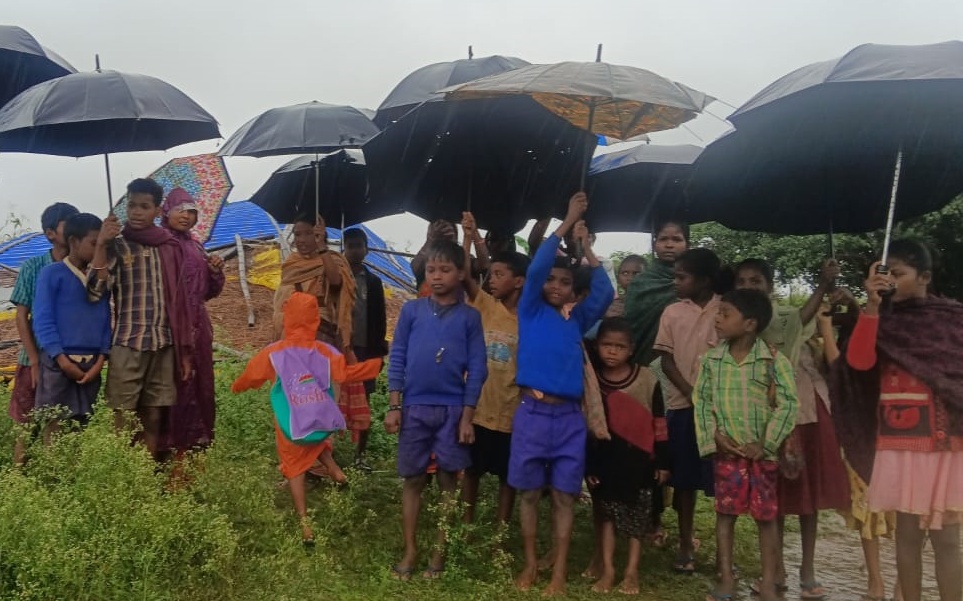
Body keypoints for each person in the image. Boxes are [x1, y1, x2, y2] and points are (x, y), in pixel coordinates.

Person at [832, 240, 963, 601]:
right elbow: (858, 364)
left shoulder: (952, 319)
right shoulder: (880, 321)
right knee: (907, 536)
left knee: (948, 539)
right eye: (884, 272)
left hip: (948, 443)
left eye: (899, 274)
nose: (890, 280)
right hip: (901, 441)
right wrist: (871, 309)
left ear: (924, 277)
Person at [511, 192, 613, 596]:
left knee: (566, 497)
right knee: (530, 494)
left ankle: (558, 572)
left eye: (565, 282)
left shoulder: (578, 319)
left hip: (569, 419)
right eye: (552, 280)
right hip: (531, 414)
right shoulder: (530, 311)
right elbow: (535, 269)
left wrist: (587, 248)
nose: (555, 285)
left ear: (573, 290)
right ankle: (532, 563)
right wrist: (568, 220)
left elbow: (603, 293)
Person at [232, 292, 382, 545]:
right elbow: (345, 374)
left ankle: (305, 524)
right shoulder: (326, 351)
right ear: (314, 320)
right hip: (319, 416)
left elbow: (251, 375)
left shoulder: (274, 352)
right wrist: (375, 366)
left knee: (294, 467)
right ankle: (335, 470)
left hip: (290, 420)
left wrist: (238, 386)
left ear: (287, 318)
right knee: (315, 439)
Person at [735, 258, 846, 598]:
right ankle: (775, 569)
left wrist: (824, 284)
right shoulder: (733, 322)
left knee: (807, 498)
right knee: (772, 499)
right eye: (742, 281)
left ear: (769, 285)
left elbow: (805, 315)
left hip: (803, 413)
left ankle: (808, 569)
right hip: (758, 417)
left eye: (756, 281)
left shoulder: (785, 316)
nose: (749, 286)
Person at [384, 238, 487, 581]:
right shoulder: (412, 311)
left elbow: (478, 368)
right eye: (431, 270)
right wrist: (394, 405)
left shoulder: (470, 318)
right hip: (413, 407)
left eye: (445, 269)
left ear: (461, 273)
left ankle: (439, 549)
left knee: (447, 479)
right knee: (413, 479)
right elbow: (397, 356)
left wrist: (468, 417)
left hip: (453, 410)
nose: (438, 276)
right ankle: (410, 548)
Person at [694, 288, 799, 601]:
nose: (717, 319)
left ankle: (768, 581)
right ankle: (726, 577)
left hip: (762, 457)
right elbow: (701, 401)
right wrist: (714, 436)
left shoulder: (772, 361)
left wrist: (766, 444)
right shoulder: (712, 361)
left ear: (750, 324)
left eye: (725, 313)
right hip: (727, 454)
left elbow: (789, 403)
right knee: (725, 514)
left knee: (766, 518)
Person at [89, 179, 194, 461]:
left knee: (154, 413)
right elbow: (95, 290)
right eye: (132, 205)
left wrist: (184, 352)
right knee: (123, 415)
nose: (136, 212)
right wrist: (101, 243)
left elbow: (181, 301)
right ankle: (123, 476)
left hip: (164, 344)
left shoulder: (170, 247)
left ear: (157, 210)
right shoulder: (118, 246)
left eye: (144, 206)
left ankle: (146, 475)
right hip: (128, 343)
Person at [819, 289, 902, 601]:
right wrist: (849, 310)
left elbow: (842, 371)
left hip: (892, 436)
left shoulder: (898, 337)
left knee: (900, 510)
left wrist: (827, 329)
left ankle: (892, 585)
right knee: (871, 506)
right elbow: (845, 372)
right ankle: (880, 583)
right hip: (867, 435)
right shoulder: (870, 334)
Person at [584, 317, 670, 595]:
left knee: (637, 518)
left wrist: (663, 461)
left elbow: (659, 422)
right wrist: (589, 466)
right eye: (606, 345)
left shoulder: (647, 379)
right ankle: (608, 569)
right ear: (597, 346)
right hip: (605, 460)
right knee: (606, 515)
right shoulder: (592, 381)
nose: (611, 351)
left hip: (640, 461)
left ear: (631, 349)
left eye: (619, 347)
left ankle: (631, 571)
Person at [653, 248, 726, 574]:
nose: (676, 282)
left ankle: (725, 554)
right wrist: (690, 391)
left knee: (725, 480)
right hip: (682, 407)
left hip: (722, 410)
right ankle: (685, 542)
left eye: (682, 277)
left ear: (705, 280)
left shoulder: (727, 309)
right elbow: (666, 361)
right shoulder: (671, 312)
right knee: (683, 479)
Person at [459, 211, 529, 524]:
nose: (493, 280)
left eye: (500, 275)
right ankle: (466, 523)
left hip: (510, 412)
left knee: (507, 476)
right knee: (471, 470)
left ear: (519, 281)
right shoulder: (487, 306)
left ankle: (501, 530)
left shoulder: (529, 321)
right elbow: (465, 277)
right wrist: (468, 237)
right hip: (478, 408)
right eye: (492, 274)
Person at [8, 202, 78, 463]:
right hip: (33, 359)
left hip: (67, 359)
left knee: (57, 423)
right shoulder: (33, 266)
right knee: (26, 425)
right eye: (68, 223)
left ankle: (52, 480)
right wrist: (35, 360)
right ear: (51, 233)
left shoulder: (81, 267)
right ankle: (17, 479)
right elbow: (22, 315)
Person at [32, 213, 110, 436]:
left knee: (80, 429)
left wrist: (101, 359)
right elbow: (43, 320)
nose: (98, 249)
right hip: (59, 363)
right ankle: (52, 472)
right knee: (54, 427)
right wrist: (61, 359)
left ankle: (74, 472)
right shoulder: (52, 274)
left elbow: (106, 318)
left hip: (91, 364)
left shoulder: (100, 279)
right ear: (74, 242)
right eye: (94, 243)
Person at [160, 189, 225, 454]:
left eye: (192, 212)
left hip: (199, 326)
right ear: (166, 211)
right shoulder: (160, 245)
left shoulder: (197, 246)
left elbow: (208, 292)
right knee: (173, 384)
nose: (187, 216)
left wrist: (215, 272)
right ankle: (169, 445)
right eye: (181, 210)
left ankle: (198, 440)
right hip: (169, 325)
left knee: (201, 385)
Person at [341, 227, 388, 470]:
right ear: (343, 249)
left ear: (366, 249)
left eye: (359, 245)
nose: (355, 250)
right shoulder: (337, 278)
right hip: (338, 350)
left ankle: (360, 455)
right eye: (350, 246)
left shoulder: (373, 282)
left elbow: (379, 319)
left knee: (364, 403)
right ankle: (330, 452)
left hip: (364, 351)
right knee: (334, 399)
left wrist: (379, 353)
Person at [274, 214, 354, 350]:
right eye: (297, 235)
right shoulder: (291, 264)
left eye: (308, 234)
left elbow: (336, 282)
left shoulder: (332, 261)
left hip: (319, 333)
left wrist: (322, 247)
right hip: (290, 333)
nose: (301, 240)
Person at [625, 220, 689, 364]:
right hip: (643, 360)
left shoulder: (696, 283)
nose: (669, 245)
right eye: (663, 239)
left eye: (677, 239)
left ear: (687, 244)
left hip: (686, 360)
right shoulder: (640, 283)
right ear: (655, 244)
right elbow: (630, 328)